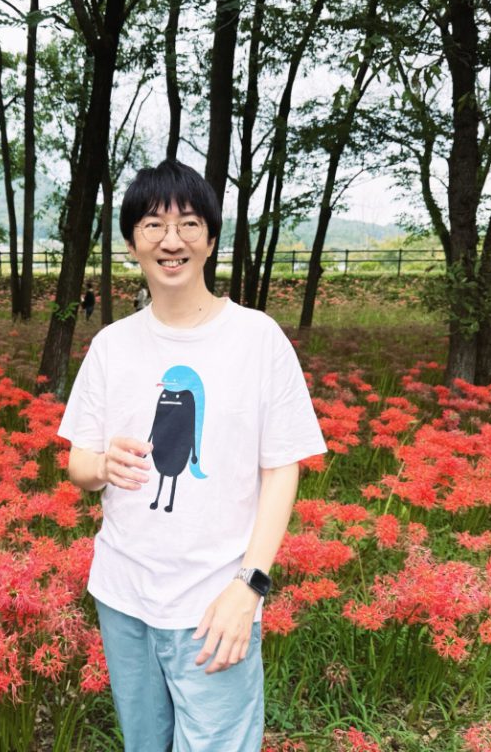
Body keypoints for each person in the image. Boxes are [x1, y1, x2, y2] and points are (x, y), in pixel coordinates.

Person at [58, 159, 326, 752]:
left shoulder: (257, 339)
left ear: (209, 239)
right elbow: (79, 464)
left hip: (216, 600)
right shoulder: (111, 346)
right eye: (153, 225)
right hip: (123, 597)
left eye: (188, 224)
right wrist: (102, 465)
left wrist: (249, 587)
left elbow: (281, 469)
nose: (171, 240)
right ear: (132, 242)